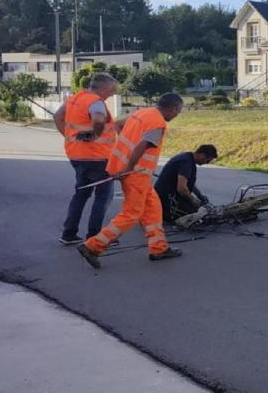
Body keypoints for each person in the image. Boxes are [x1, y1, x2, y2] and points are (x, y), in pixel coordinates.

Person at [77, 93, 187, 268]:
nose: (177, 115)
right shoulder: (157, 123)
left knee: (153, 208)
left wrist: (125, 161)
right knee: (131, 214)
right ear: (173, 108)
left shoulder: (143, 113)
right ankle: (93, 246)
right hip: (136, 174)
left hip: (132, 171)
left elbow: (119, 124)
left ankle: (158, 248)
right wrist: (128, 168)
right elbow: (142, 146)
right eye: (178, 111)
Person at [53, 72, 119, 245]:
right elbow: (98, 120)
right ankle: (94, 236)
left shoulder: (75, 98)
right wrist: (95, 135)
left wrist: (70, 137)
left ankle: (68, 233)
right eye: (111, 90)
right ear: (103, 87)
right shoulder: (96, 102)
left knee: (81, 193)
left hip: (77, 155)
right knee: (103, 196)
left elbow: (57, 117)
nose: (112, 94)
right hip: (98, 157)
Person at [155, 144, 218, 223]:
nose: (207, 163)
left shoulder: (189, 159)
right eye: (207, 160)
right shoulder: (186, 162)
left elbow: (188, 182)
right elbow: (181, 188)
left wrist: (200, 196)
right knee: (196, 215)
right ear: (202, 155)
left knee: (200, 210)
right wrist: (193, 200)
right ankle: (162, 212)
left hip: (172, 195)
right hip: (166, 197)